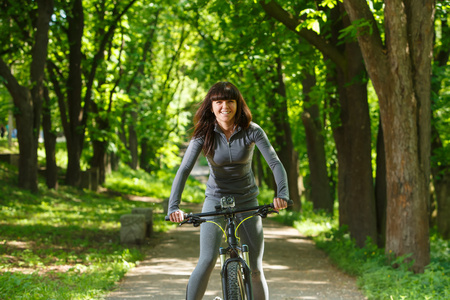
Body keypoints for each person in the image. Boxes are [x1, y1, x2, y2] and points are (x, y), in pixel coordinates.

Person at [168, 81, 290, 300]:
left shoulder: (252, 131)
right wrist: (173, 207)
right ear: (211, 106)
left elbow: (275, 163)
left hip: (247, 201)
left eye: (230, 101)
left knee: (255, 268)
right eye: (219, 102)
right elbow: (185, 169)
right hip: (215, 201)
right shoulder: (203, 134)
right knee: (206, 261)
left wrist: (282, 194)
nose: (225, 106)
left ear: (238, 104)